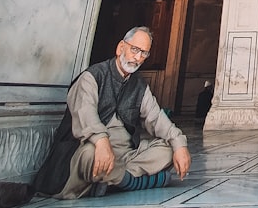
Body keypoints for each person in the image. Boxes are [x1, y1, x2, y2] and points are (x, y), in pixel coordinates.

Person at [35, 26, 192, 199]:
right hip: (89, 149)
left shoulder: (139, 86)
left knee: (169, 149)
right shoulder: (91, 77)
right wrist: (102, 143)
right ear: (120, 47)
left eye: (144, 54)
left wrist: (180, 144)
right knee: (91, 155)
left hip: (125, 157)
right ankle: (130, 182)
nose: (138, 58)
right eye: (135, 50)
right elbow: (86, 116)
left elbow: (157, 119)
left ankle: (110, 180)